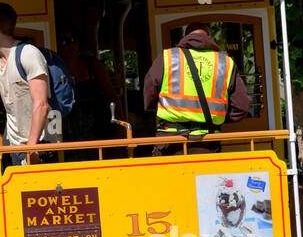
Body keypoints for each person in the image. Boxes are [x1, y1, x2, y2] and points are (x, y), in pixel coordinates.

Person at [0, 2, 61, 168]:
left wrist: (32, 150)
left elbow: (41, 105)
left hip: (39, 144)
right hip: (12, 144)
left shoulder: (28, 54)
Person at [142, 22, 249, 154]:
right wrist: (215, 118)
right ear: (209, 37)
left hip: (170, 141)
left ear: (186, 37)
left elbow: (149, 94)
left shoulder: (167, 57)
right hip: (207, 141)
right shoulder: (225, 62)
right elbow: (242, 106)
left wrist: (160, 110)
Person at [58, 30, 119, 141]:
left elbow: (111, 95)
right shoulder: (54, 69)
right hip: (68, 129)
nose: (70, 45)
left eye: (73, 40)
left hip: (95, 125)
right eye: (64, 42)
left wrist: (120, 126)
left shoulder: (92, 65)